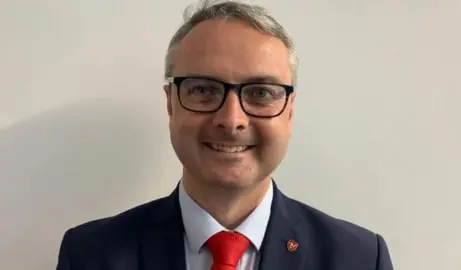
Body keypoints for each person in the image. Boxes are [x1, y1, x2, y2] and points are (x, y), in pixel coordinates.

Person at [56, 0, 394, 269]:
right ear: (171, 104)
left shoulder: (360, 258)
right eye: (203, 89)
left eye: (261, 93)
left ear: (290, 111)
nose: (231, 120)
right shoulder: (90, 255)